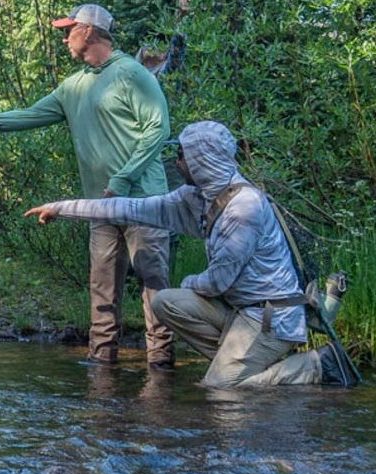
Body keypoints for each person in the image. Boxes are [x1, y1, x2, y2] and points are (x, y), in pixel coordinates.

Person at [24, 119, 358, 388]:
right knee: (165, 302)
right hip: (241, 310)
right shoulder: (196, 199)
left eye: (182, 155)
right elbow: (128, 207)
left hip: (271, 319)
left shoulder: (244, 209)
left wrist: (190, 281)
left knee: (221, 387)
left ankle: (316, 366)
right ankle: (241, 363)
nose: (178, 161)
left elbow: (217, 283)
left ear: (202, 160)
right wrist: (61, 208)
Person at [0, 3, 175, 368]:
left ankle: (161, 367)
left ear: (89, 31)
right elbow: (29, 115)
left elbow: (158, 129)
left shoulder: (132, 74)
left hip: (144, 201)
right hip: (99, 206)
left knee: (154, 285)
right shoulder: (73, 86)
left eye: (68, 31)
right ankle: (102, 366)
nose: (64, 38)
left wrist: (123, 178)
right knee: (101, 290)